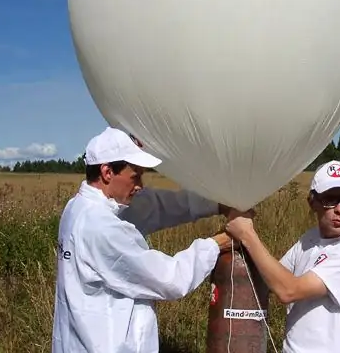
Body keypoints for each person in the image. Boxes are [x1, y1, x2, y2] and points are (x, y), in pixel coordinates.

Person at [52, 126, 242, 353]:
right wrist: (221, 241)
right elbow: (169, 279)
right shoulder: (100, 226)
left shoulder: (81, 207)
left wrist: (219, 204)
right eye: (136, 176)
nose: (140, 185)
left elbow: (154, 206)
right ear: (107, 172)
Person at [225, 160, 340, 353]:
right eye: (330, 199)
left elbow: (288, 290)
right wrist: (228, 244)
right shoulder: (310, 239)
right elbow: (270, 279)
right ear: (312, 202)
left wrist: (247, 235)